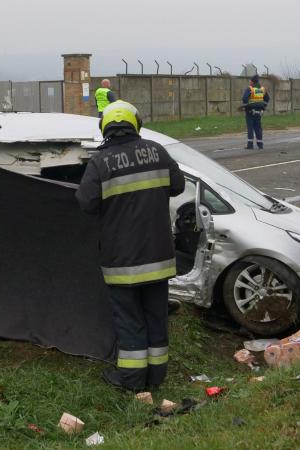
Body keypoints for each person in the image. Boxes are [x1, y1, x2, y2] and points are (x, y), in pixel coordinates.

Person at [76, 100, 185, 391]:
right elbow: (178, 186)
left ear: (106, 128)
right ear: (136, 124)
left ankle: (132, 381)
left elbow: (85, 203)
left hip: (122, 261)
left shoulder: (100, 162)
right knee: (155, 317)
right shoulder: (158, 151)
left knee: (129, 320)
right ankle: (156, 377)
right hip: (159, 256)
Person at [241, 74, 270, 149]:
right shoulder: (262, 89)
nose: (249, 82)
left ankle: (250, 145)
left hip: (250, 112)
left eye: (250, 80)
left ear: (252, 82)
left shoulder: (250, 89)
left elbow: (244, 98)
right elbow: (267, 98)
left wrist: (246, 106)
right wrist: (263, 108)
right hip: (259, 112)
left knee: (250, 128)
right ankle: (260, 145)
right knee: (258, 128)